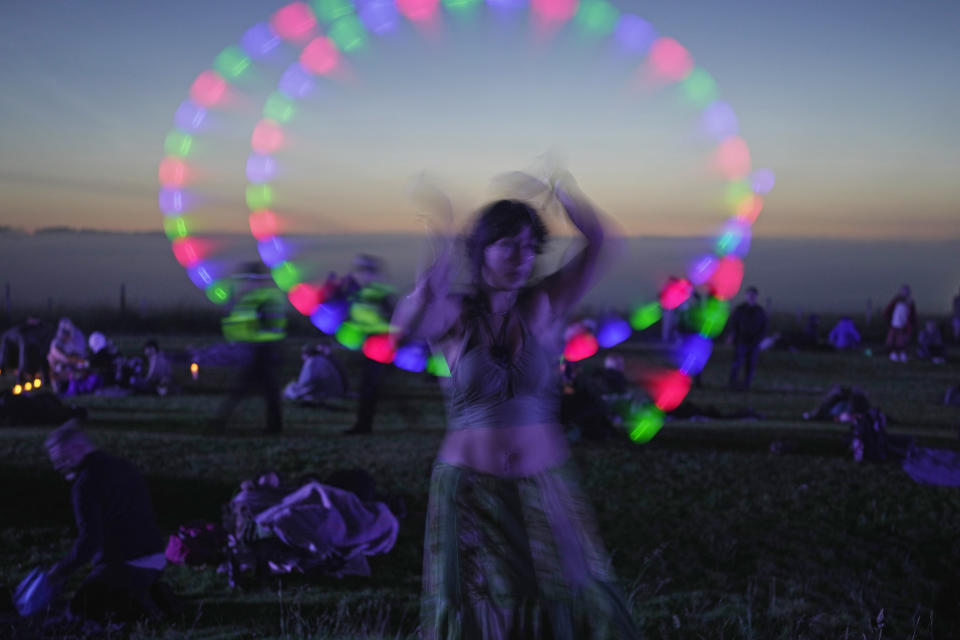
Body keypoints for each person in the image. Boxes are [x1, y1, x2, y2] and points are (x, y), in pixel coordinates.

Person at [392, 175, 640, 638]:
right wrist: (439, 250)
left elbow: (603, 242)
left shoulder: (544, 305)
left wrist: (563, 190)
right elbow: (406, 326)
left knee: (572, 592)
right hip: (470, 492)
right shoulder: (456, 314)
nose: (522, 256)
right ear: (481, 250)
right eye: (508, 244)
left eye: (530, 246)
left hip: (544, 488)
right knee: (483, 606)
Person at [43, 420, 168, 623]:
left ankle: (141, 606)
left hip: (124, 564)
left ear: (78, 449)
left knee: (79, 611)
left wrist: (60, 571)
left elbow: (89, 540)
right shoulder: (124, 466)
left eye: (61, 459)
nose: (58, 467)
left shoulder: (85, 484)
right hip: (156, 558)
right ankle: (147, 594)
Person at [211, 262, 287, 434]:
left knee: (246, 389)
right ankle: (273, 427)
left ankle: (220, 421)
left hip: (263, 350)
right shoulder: (263, 297)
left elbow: (252, 323)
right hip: (262, 350)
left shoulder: (261, 299)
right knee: (266, 391)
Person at [336, 254, 396, 434]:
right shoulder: (360, 292)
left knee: (370, 387)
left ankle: (364, 425)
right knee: (368, 387)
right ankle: (363, 423)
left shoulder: (379, 292)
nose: (360, 274)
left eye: (363, 271)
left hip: (379, 344)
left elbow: (392, 320)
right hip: (368, 344)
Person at [727, 286, 767, 390]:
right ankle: (733, 384)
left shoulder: (760, 311)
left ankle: (746, 385)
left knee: (750, 365)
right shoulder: (740, 309)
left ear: (756, 296)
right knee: (737, 363)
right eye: (749, 295)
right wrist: (732, 335)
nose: (751, 297)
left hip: (754, 342)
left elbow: (764, 326)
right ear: (746, 296)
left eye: (753, 295)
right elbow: (733, 323)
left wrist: (760, 338)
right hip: (741, 341)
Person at [283, 342, 348, 405]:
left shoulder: (311, 362)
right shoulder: (323, 359)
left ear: (306, 354)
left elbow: (306, 382)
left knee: (291, 388)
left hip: (324, 392)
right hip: (336, 391)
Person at [0, 316, 51, 383]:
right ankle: (2, 367)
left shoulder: (42, 328)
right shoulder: (24, 326)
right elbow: (16, 330)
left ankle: (21, 372)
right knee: (8, 338)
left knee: (23, 342)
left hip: (29, 341)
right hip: (19, 336)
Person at [47, 318, 89, 394]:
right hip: (65, 360)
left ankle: (74, 385)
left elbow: (79, 355)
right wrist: (64, 358)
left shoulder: (77, 337)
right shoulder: (59, 338)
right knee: (51, 358)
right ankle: (56, 386)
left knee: (80, 365)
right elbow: (54, 349)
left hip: (76, 361)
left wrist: (68, 359)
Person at [884, 284, 916, 362]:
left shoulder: (910, 302)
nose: (904, 293)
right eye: (903, 291)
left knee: (902, 341)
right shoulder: (896, 301)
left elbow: (912, 314)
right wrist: (888, 320)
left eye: (906, 292)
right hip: (894, 324)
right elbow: (888, 310)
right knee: (892, 341)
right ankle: (893, 354)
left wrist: (911, 324)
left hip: (904, 325)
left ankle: (902, 354)